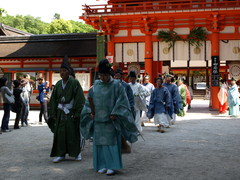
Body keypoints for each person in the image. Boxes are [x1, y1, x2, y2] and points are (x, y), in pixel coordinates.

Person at [81, 59, 138, 176]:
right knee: (99, 143)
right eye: (101, 75)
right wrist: (90, 112)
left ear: (110, 74)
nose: (103, 78)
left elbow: (123, 101)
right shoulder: (96, 85)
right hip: (98, 120)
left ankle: (112, 166)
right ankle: (101, 164)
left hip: (111, 120)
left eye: (105, 75)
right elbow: (89, 101)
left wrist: (116, 113)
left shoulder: (117, 85)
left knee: (111, 143)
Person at [47, 55, 85, 163]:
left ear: (69, 72)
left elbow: (80, 99)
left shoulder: (74, 83)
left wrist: (77, 113)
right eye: (60, 71)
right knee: (60, 134)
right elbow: (53, 99)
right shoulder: (58, 84)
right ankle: (60, 154)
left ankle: (76, 153)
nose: (62, 73)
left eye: (64, 70)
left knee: (72, 133)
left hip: (70, 112)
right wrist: (53, 112)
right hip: (60, 113)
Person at [114, 68, 135, 153]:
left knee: (123, 129)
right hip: (114, 110)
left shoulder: (126, 86)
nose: (117, 78)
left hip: (123, 110)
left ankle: (124, 145)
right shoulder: (112, 85)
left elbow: (130, 99)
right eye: (116, 76)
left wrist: (129, 109)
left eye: (119, 76)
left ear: (122, 77)